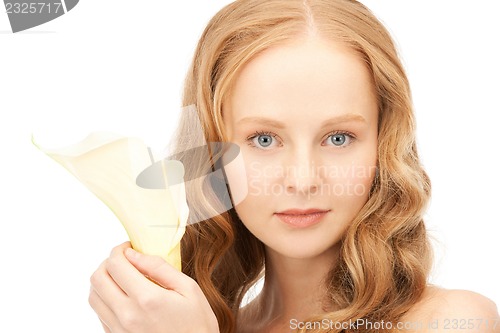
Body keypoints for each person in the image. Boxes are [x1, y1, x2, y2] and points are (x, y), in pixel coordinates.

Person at [88, 0, 500, 332]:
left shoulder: (449, 322)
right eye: (264, 140)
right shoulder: (203, 324)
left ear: (383, 144)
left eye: (338, 138)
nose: (303, 179)